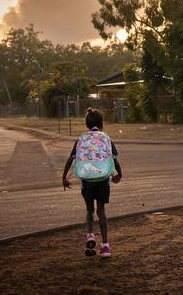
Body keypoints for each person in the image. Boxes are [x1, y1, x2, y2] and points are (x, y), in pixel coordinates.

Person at [62, 107, 122, 258]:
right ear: (102, 124)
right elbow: (114, 159)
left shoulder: (81, 139)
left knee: (89, 210)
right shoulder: (107, 139)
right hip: (103, 180)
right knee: (101, 211)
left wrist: (65, 177)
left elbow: (71, 159)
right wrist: (119, 174)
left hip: (87, 180)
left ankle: (90, 235)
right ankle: (106, 246)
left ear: (86, 124)